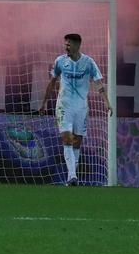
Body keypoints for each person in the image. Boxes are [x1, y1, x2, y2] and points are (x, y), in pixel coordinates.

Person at [39, 33, 108, 186]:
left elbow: (98, 83)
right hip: (64, 105)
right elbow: (52, 82)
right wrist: (44, 102)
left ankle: (72, 177)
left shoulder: (89, 63)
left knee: (77, 142)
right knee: (67, 138)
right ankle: (72, 176)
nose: (66, 47)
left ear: (77, 45)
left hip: (81, 107)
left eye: (69, 44)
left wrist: (107, 102)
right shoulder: (60, 61)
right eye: (65, 44)